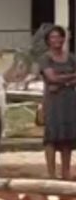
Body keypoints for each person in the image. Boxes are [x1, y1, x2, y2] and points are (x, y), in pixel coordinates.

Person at [39, 25, 76, 180]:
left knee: (67, 136)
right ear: (48, 41)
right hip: (52, 101)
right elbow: (51, 78)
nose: (56, 40)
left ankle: (66, 173)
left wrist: (62, 82)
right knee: (51, 136)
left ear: (63, 38)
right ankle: (51, 173)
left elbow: (57, 79)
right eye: (52, 37)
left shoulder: (71, 58)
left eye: (58, 36)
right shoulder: (45, 58)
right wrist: (70, 77)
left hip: (69, 101)